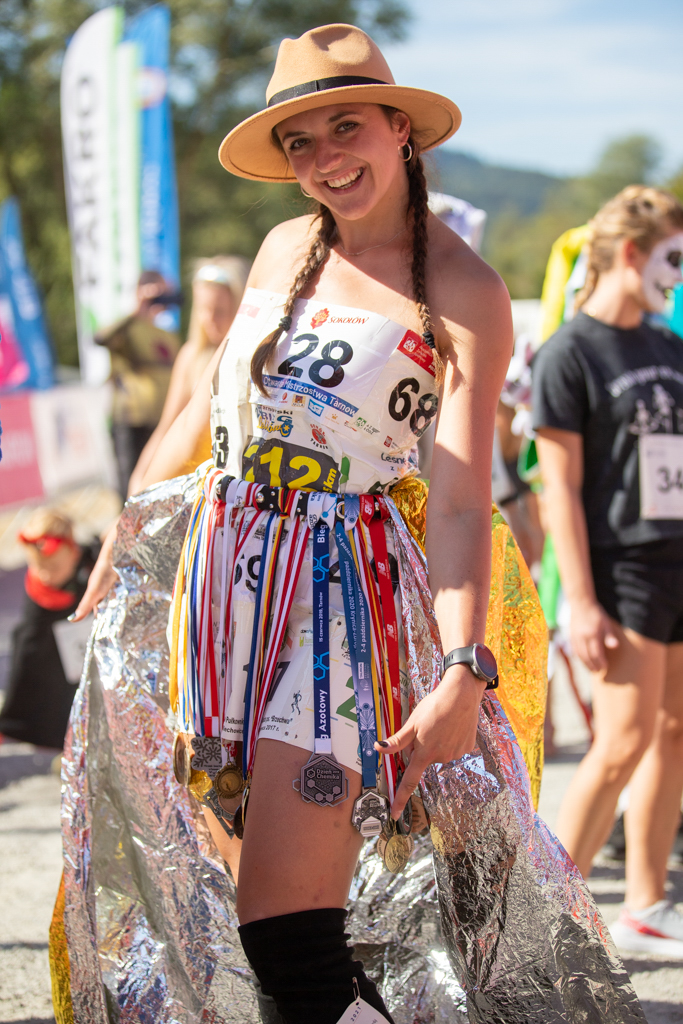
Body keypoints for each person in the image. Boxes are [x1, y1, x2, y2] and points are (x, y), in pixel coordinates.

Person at [76, 23, 511, 1024]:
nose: (323, 158)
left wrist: (463, 666)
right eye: (299, 142)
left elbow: (456, 497)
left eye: (345, 127)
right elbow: (202, 414)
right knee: (269, 921)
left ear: (399, 128)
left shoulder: (464, 290)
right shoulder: (283, 246)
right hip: (221, 597)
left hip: (338, 606)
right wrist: (126, 532)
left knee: (282, 926)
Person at [532, 185, 683, 956]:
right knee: (620, 740)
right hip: (620, 567)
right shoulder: (570, 351)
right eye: (671, 260)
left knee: (672, 732)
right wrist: (581, 602)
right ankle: (545, 925)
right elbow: (556, 487)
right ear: (631, 254)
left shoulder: (665, 344)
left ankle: (645, 908)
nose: (677, 278)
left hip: (676, 558)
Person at [0, 509, 98, 750]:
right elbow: (27, 653)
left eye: (54, 567)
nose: (45, 575)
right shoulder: (40, 590)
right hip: (52, 650)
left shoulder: (91, 563)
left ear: (73, 552)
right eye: (38, 567)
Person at [95, 270, 181, 498]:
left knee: (158, 486)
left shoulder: (168, 335)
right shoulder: (128, 328)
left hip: (161, 422)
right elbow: (101, 338)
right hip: (130, 420)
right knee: (129, 487)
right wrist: (137, 311)